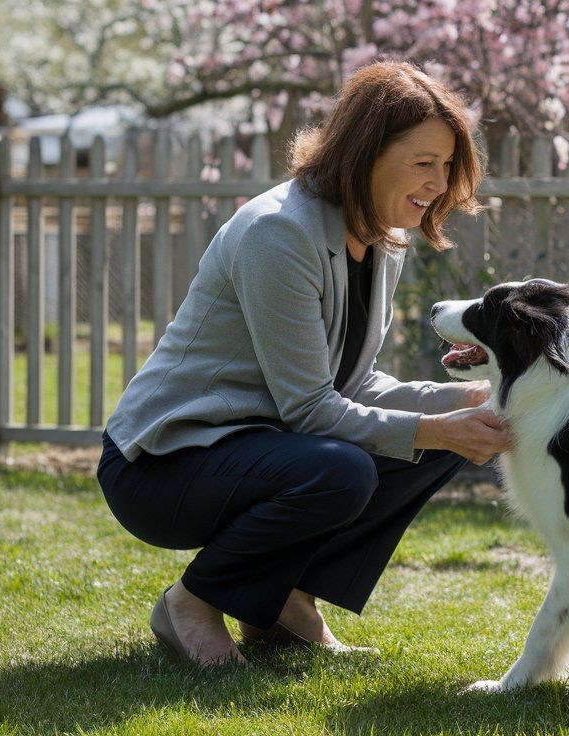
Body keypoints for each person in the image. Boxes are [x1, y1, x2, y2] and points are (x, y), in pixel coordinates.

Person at [96, 61, 509, 666]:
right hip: (163, 464)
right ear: (366, 151)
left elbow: (355, 382)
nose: (440, 183)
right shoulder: (279, 233)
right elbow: (311, 408)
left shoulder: (382, 238)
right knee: (344, 470)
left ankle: (287, 601)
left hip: (261, 446)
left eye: (447, 166)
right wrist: (432, 424)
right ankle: (190, 602)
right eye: (424, 163)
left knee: (436, 440)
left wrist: (458, 405)